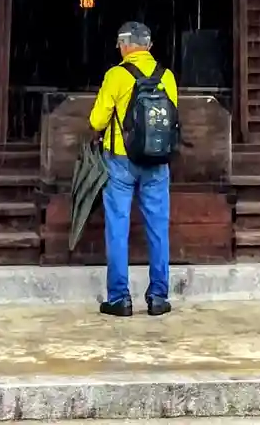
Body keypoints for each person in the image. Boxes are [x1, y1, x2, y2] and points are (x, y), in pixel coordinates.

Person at [88, 21, 179, 316]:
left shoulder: (116, 75)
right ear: (149, 46)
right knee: (158, 228)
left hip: (121, 160)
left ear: (125, 45)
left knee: (118, 227)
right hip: (157, 161)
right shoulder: (167, 76)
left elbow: (97, 121)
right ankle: (158, 297)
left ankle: (119, 298)